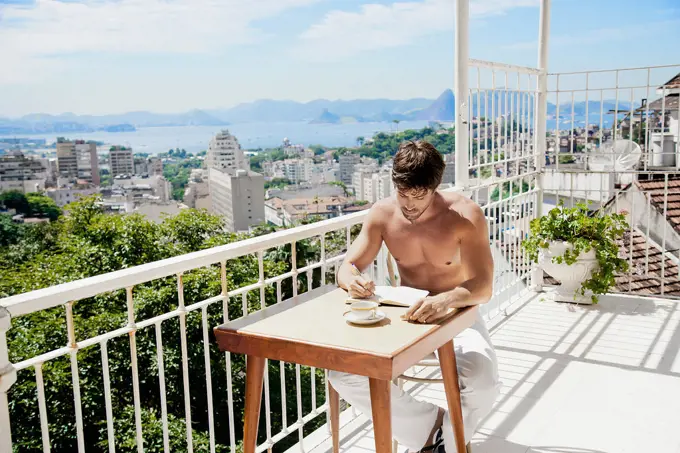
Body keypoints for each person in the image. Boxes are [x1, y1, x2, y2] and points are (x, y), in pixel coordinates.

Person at [331, 140, 500, 453]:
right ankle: (435, 433)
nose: (408, 204)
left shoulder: (465, 215)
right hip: (406, 315)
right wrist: (352, 281)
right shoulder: (382, 214)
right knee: (341, 373)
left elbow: (484, 287)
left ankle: (446, 440)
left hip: (456, 313)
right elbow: (347, 267)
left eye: (418, 196)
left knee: (484, 381)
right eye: (402, 193)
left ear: (435, 187)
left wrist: (445, 300)